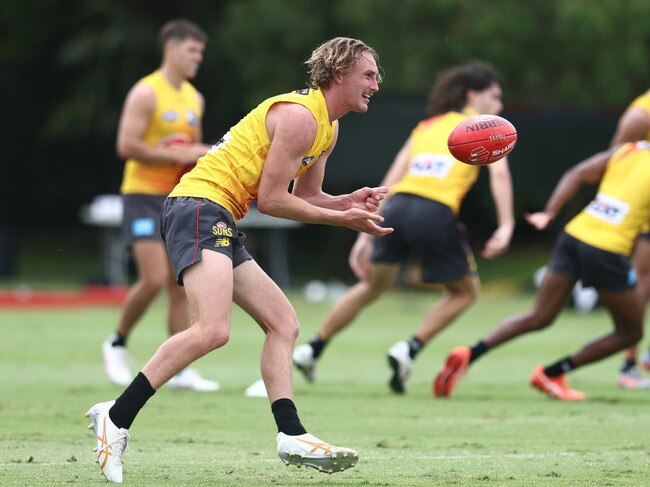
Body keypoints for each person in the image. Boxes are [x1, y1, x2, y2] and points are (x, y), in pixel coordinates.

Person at [85, 37, 392, 483]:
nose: (376, 85)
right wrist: (344, 221)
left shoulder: (329, 126)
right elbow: (271, 201)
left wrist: (348, 203)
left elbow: (305, 195)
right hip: (198, 205)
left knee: (283, 323)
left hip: (217, 213)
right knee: (212, 330)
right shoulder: (300, 117)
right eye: (368, 75)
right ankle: (116, 415)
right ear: (339, 74)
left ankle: (291, 434)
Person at [293, 61, 514, 394]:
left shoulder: (427, 126)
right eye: (495, 98)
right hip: (434, 212)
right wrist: (507, 225)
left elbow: (392, 179)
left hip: (396, 208)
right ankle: (409, 348)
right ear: (474, 95)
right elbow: (499, 174)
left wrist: (364, 233)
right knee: (466, 292)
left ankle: (313, 348)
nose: (499, 106)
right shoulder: (485, 128)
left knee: (372, 285)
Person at [434, 141, 650, 401]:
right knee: (630, 332)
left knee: (540, 315)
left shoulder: (629, 150)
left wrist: (549, 213)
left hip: (574, 235)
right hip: (606, 248)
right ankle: (553, 373)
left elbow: (576, 173)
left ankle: (469, 354)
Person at [102, 19, 218, 392]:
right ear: (171, 49)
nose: (197, 58)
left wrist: (194, 157)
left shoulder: (195, 98)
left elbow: (190, 154)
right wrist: (180, 152)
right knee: (152, 278)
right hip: (141, 195)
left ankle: (180, 370)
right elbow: (127, 145)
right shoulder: (146, 93)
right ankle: (117, 343)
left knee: (178, 285)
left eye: (201, 51)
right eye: (192, 50)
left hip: (176, 199)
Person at [609, 90, 650, 389]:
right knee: (643, 282)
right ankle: (628, 363)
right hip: (644, 209)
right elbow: (614, 161)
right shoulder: (642, 113)